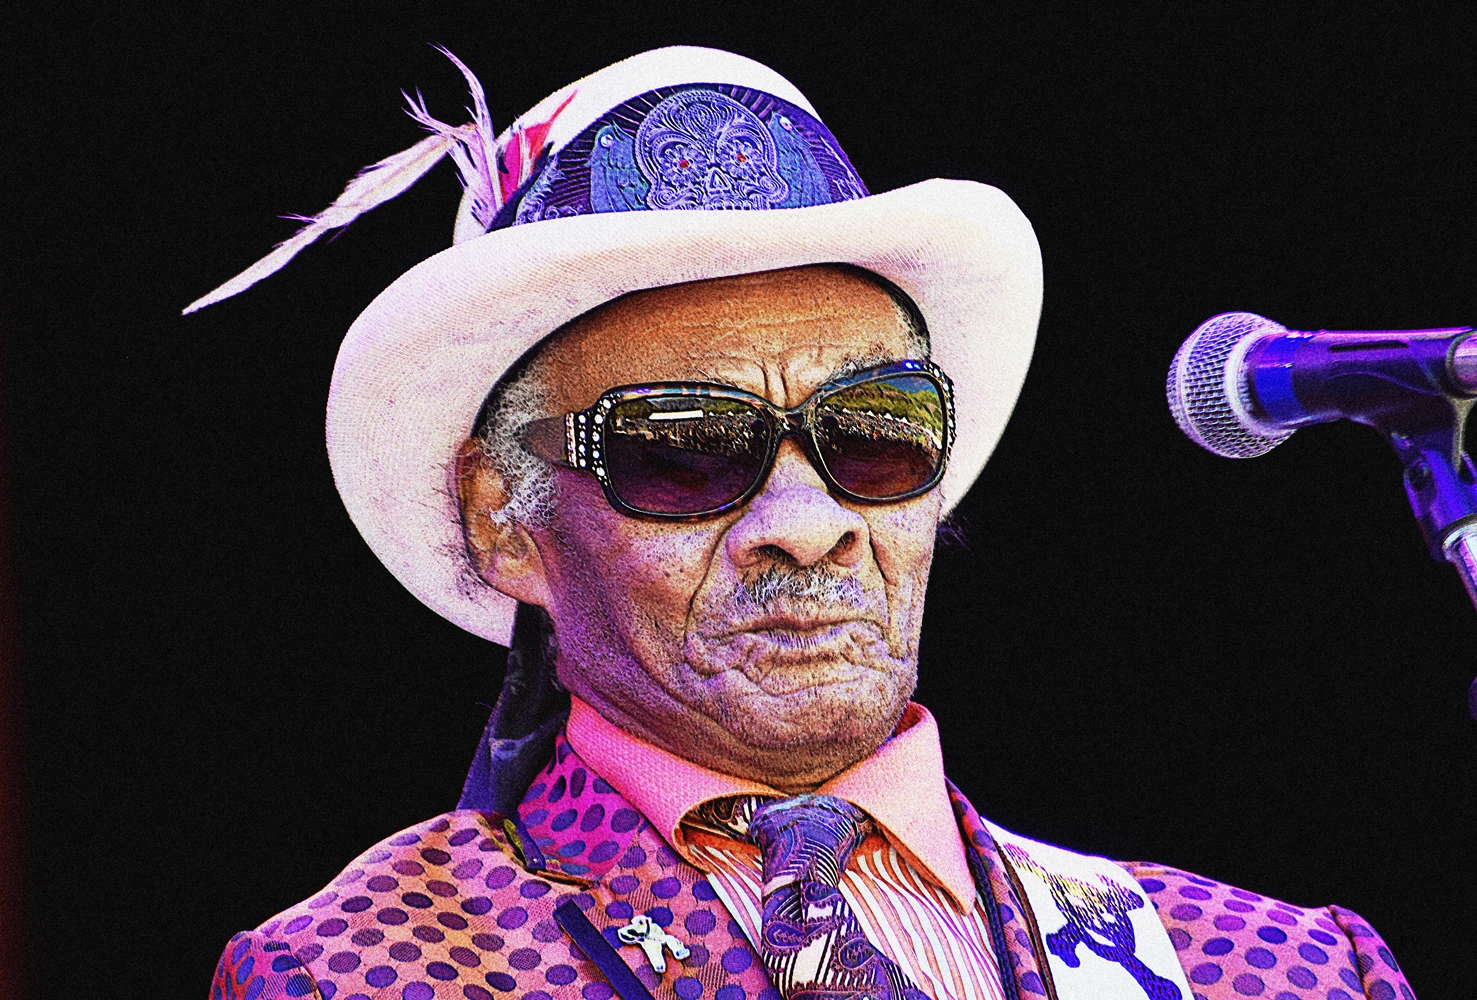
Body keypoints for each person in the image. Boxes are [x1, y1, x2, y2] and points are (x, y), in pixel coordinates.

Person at [193, 46, 1415, 1000]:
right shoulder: (367, 971)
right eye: (683, 448)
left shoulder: (1284, 968)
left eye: (874, 428)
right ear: (505, 518)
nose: (808, 520)